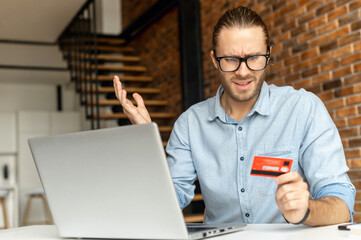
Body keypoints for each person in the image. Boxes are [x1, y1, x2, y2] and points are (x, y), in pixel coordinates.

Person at [113, 6, 355, 226]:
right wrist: (146, 144)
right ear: (213, 60)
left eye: (253, 58)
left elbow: (342, 207)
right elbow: (167, 202)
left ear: (268, 55)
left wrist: (307, 210)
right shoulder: (189, 124)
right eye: (230, 59)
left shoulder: (304, 109)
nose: (243, 71)